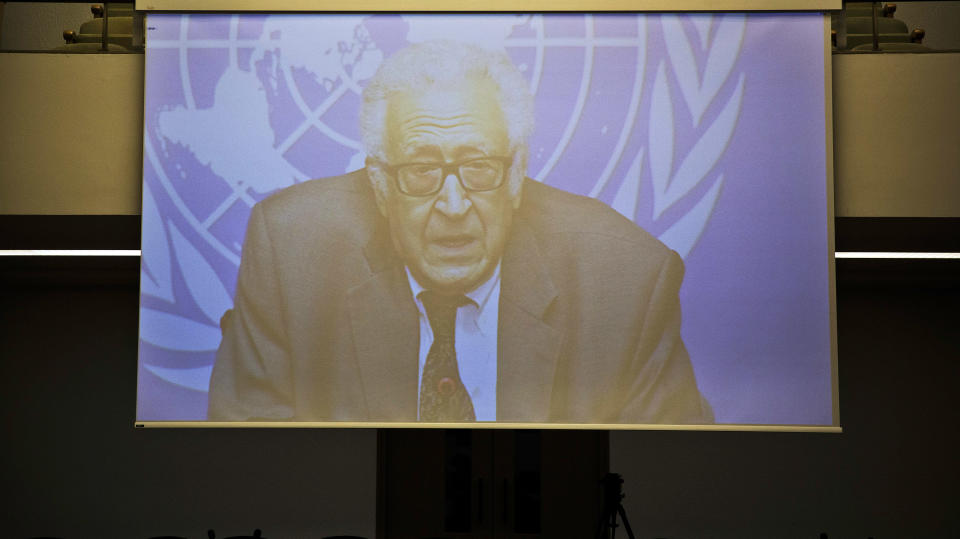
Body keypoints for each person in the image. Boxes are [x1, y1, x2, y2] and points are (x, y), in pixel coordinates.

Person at [208, 40, 712, 424]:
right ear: (380, 185)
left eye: (478, 166)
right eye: (421, 170)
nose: (453, 206)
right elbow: (251, 466)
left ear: (516, 176)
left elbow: (668, 482)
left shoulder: (626, 281)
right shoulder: (289, 251)